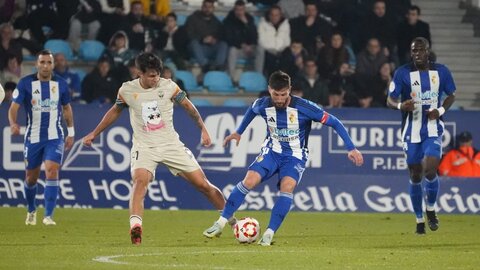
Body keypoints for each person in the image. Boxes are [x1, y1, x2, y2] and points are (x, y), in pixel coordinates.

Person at [82, 52, 230, 245]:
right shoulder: (127, 90)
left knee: (203, 185)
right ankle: (136, 227)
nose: (156, 78)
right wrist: (95, 133)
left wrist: (203, 129)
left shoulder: (169, 86)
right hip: (144, 147)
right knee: (139, 181)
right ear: (139, 73)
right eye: (151, 75)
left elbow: (189, 107)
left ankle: (234, 222)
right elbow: (115, 111)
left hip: (171, 145)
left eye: (157, 74)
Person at [203, 70, 364, 246]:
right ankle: (220, 223)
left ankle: (269, 234)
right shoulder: (262, 104)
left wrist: (351, 148)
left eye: (283, 94)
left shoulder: (305, 107)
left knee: (287, 187)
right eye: (275, 94)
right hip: (272, 151)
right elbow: (251, 110)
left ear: (290, 90)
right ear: (269, 90)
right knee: (249, 180)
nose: (279, 99)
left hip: (295, 156)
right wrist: (238, 132)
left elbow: (334, 121)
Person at [387, 37, 456, 235]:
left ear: (428, 51)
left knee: (431, 168)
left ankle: (431, 209)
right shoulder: (402, 73)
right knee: (416, 174)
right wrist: (401, 105)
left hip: (432, 128)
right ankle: (419, 220)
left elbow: (451, 95)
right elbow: (389, 100)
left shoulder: (441, 71)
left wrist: (441, 110)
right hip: (411, 130)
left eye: (420, 50)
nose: (417, 54)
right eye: (413, 51)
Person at [8, 49, 75, 226]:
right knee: (31, 177)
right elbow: (13, 108)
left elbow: (66, 108)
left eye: (49, 63)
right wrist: (13, 123)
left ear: (53, 65)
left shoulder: (60, 84)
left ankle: (48, 216)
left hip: (55, 136)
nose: (45, 66)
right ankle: (31, 210)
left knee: (52, 170)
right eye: (42, 62)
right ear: (37, 64)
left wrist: (71, 132)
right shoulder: (25, 83)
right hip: (33, 137)